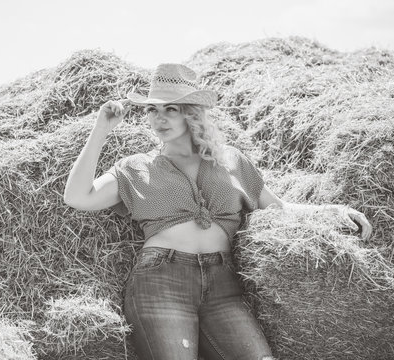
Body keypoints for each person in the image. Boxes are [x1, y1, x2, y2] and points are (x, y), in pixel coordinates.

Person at [63, 63, 372, 360]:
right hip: (160, 282)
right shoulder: (135, 167)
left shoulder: (231, 161)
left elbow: (279, 208)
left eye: (170, 108)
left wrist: (330, 211)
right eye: (152, 109)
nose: (160, 118)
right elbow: (78, 196)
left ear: (191, 113)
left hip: (223, 285)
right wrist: (101, 129)